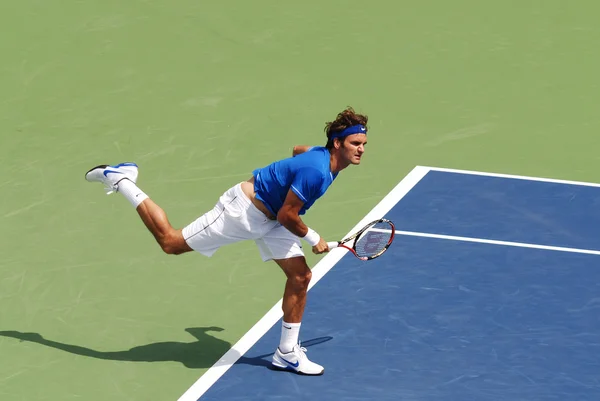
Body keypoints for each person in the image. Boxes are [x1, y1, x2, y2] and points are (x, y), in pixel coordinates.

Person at [85, 106, 368, 375]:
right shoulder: (316, 171)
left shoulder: (322, 160)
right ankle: (121, 178)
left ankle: (286, 352)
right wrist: (314, 238)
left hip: (272, 219)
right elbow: (287, 215)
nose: (361, 149)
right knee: (170, 242)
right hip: (243, 212)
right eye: (355, 143)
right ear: (336, 144)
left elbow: (297, 152)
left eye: (363, 144)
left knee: (300, 276)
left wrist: (280, 180)